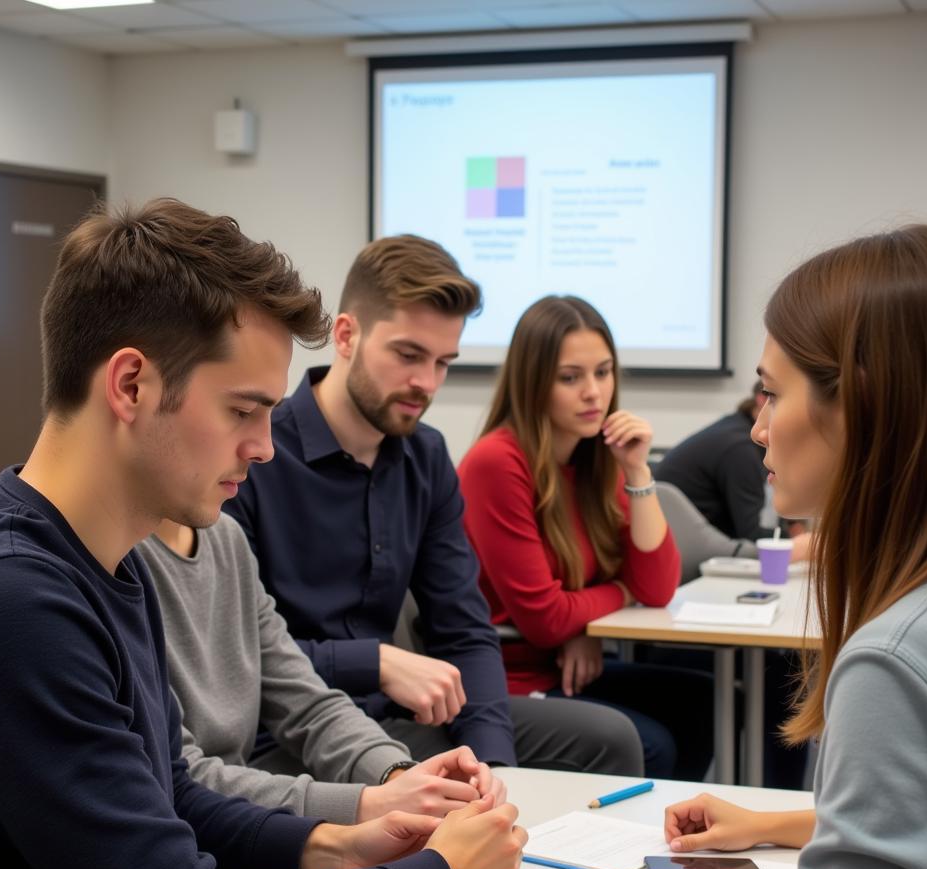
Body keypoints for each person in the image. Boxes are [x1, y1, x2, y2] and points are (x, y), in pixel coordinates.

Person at [0, 200, 527, 869]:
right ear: (131, 385)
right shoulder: (11, 601)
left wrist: (334, 844)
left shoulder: (99, 561)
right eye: (242, 409)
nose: (266, 446)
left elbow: (171, 795)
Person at [621, 224, 927, 869]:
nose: (757, 426)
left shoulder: (892, 660)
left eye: (773, 392)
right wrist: (782, 821)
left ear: (858, 403)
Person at [225, 235, 643, 778]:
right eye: (408, 355)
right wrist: (373, 663)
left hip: (397, 718)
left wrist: (494, 764)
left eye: (444, 362)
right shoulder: (257, 455)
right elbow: (233, 654)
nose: (427, 383)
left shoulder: (426, 457)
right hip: (289, 735)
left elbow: (464, 630)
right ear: (346, 335)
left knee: (610, 739)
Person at [457, 295, 713, 781]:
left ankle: (683, 845)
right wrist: (614, 596)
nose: (594, 393)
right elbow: (547, 620)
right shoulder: (497, 463)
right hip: (508, 680)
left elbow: (658, 588)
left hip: (562, 668)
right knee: (650, 743)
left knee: (699, 697)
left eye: (604, 372)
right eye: (570, 378)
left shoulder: (596, 459)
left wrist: (637, 469)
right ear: (533, 384)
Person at [137, 512, 505, 823]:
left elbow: (309, 704)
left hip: (240, 815)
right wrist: (369, 805)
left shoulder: (225, 536)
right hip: (198, 835)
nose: (265, 449)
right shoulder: (114, 556)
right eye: (240, 420)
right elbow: (178, 779)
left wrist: (398, 774)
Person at [655, 381, 811, 562]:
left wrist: (793, 527)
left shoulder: (736, 428)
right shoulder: (740, 448)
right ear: (761, 399)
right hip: (683, 554)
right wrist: (796, 545)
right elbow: (750, 533)